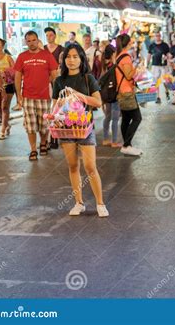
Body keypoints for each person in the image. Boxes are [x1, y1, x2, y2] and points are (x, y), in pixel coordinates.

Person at [52, 44, 109, 218]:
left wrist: (77, 94)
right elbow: (54, 107)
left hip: (85, 128)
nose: (71, 60)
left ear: (82, 58)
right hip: (65, 129)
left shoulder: (88, 78)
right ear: (64, 60)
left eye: (75, 56)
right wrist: (59, 104)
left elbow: (98, 102)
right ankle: (79, 203)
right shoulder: (59, 81)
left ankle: (100, 203)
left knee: (90, 166)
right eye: (68, 57)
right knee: (73, 165)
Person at [14, 31, 58, 161]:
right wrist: (19, 96)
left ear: (38, 40)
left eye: (34, 40)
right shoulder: (22, 57)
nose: (31, 43)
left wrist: (54, 93)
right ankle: (33, 149)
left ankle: (43, 143)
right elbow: (17, 77)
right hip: (27, 96)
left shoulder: (47, 55)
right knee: (30, 126)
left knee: (44, 125)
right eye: (29, 41)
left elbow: (54, 75)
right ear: (25, 42)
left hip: (44, 96)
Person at [116, 34, 142, 156]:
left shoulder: (119, 56)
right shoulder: (126, 57)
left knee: (126, 119)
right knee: (137, 118)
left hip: (121, 91)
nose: (132, 44)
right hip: (126, 92)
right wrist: (136, 67)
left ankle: (127, 145)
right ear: (127, 43)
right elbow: (128, 75)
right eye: (131, 42)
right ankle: (126, 145)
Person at [0, 39, 15, 140]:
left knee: (5, 108)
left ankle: (2, 130)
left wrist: (6, 73)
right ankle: (7, 124)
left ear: (2, 46)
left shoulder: (8, 57)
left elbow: (15, 71)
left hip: (8, 85)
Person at [101, 45, 120, 148]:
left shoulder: (103, 63)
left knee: (107, 116)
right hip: (114, 94)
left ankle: (105, 139)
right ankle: (114, 141)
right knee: (115, 118)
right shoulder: (113, 65)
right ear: (113, 54)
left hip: (105, 94)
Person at [147, 32, 170, 104]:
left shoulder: (165, 45)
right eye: (156, 36)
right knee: (156, 81)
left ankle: (167, 91)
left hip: (163, 66)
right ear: (154, 37)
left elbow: (168, 54)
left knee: (165, 81)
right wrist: (147, 64)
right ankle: (158, 97)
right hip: (155, 65)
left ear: (160, 36)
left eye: (158, 36)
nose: (157, 37)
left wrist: (167, 58)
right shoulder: (151, 45)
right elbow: (149, 55)